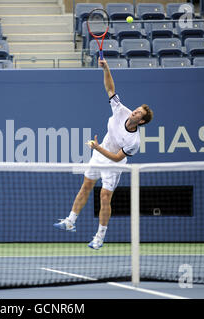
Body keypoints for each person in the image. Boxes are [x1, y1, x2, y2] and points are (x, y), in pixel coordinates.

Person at [53, 58, 154, 250]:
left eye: (138, 114)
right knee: (86, 186)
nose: (134, 112)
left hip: (113, 164)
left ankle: (99, 237)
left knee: (105, 197)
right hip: (99, 154)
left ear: (141, 121)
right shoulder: (121, 110)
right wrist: (106, 68)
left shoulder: (134, 142)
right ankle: (70, 221)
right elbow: (110, 89)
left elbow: (117, 158)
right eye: (136, 110)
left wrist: (97, 147)